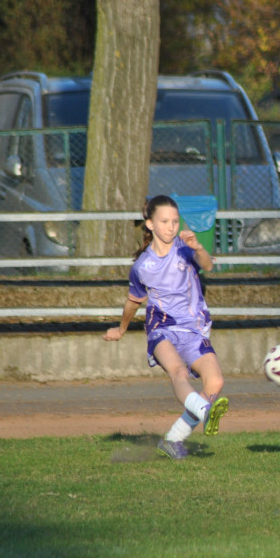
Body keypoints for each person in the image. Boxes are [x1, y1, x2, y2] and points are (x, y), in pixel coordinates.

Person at [104, 195, 229, 459]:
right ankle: (205, 411)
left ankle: (173, 439)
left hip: (194, 329)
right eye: (164, 221)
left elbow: (207, 266)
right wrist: (121, 329)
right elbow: (132, 302)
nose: (171, 227)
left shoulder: (185, 248)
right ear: (149, 224)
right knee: (179, 372)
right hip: (162, 328)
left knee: (215, 382)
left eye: (174, 221)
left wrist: (198, 248)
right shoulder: (142, 266)